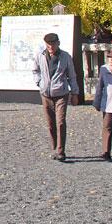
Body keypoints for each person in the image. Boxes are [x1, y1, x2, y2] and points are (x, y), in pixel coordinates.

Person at [33, 32, 80, 161]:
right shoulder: (40, 56)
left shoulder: (65, 57)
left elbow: (72, 76)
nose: (51, 48)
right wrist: (39, 82)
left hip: (61, 94)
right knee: (50, 124)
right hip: (46, 94)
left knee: (60, 122)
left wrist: (75, 93)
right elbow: (35, 70)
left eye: (53, 45)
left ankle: (60, 151)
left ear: (58, 43)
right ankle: (54, 147)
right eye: (48, 45)